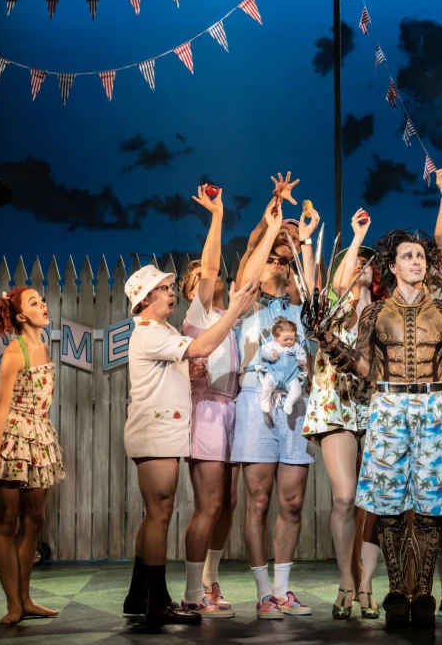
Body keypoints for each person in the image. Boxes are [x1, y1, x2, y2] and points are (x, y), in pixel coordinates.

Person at [317, 224, 442, 629]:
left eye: (420, 255)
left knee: (431, 506)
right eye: (407, 256)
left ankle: (424, 593)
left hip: (435, 404)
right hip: (387, 404)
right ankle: (397, 590)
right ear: (393, 266)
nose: (416, 261)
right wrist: (331, 344)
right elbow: (365, 368)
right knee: (389, 506)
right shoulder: (375, 312)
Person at [121, 263, 258, 625]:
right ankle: (158, 602)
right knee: (159, 514)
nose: (170, 293)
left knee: (157, 513)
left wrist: (188, 371)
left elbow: (172, 367)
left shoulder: (159, 330)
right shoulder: (150, 332)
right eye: (163, 289)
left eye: (168, 287)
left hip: (160, 430)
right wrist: (233, 311)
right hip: (155, 431)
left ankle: (139, 595)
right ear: (144, 298)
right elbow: (204, 344)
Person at [232, 193, 319, 619]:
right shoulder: (245, 299)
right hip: (257, 399)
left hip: (296, 405)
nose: (279, 266)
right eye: (275, 259)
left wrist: (301, 241)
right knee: (259, 499)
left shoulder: (300, 306)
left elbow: (313, 285)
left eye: (286, 262)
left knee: (292, 501)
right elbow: (252, 265)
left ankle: (284, 589)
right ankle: (263, 591)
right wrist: (270, 230)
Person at [0, 287, 65, 625]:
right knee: (6, 521)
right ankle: (13, 603)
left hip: (38, 436)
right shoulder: (14, 352)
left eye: (42, 300)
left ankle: (26, 598)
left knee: (35, 519)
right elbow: (3, 405)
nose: (43, 306)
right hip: (10, 440)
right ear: (21, 316)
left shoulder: (43, 346)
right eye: (34, 303)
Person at [302, 208, 384, 620]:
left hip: (375, 408)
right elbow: (339, 283)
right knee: (344, 496)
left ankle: (366, 583)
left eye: (370, 261)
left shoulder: (384, 312)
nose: (364, 266)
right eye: (358, 261)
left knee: (372, 500)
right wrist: (356, 236)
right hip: (335, 403)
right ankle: (346, 579)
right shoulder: (331, 306)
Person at [177, 185, 241, 617]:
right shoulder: (197, 316)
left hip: (233, 409)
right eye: (203, 278)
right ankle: (192, 593)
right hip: (207, 411)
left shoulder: (226, 317)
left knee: (229, 503)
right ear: (193, 290)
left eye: (213, 276)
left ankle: (210, 580)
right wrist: (217, 216)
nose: (214, 278)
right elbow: (213, 262)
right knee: (209, 504)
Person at [258, 318, 307, 415]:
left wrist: (302, 360)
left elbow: (301, 352)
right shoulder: (272, 345)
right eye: (285, 339)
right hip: (274, 374)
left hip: (291, 377)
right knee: (267, 385)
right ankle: (265, 401)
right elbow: (264, 351)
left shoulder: (295, 347)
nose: (289, 342)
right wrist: (271, 355)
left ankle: (289, 403)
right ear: (276, 338)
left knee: (297, 390)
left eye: (291, 339)